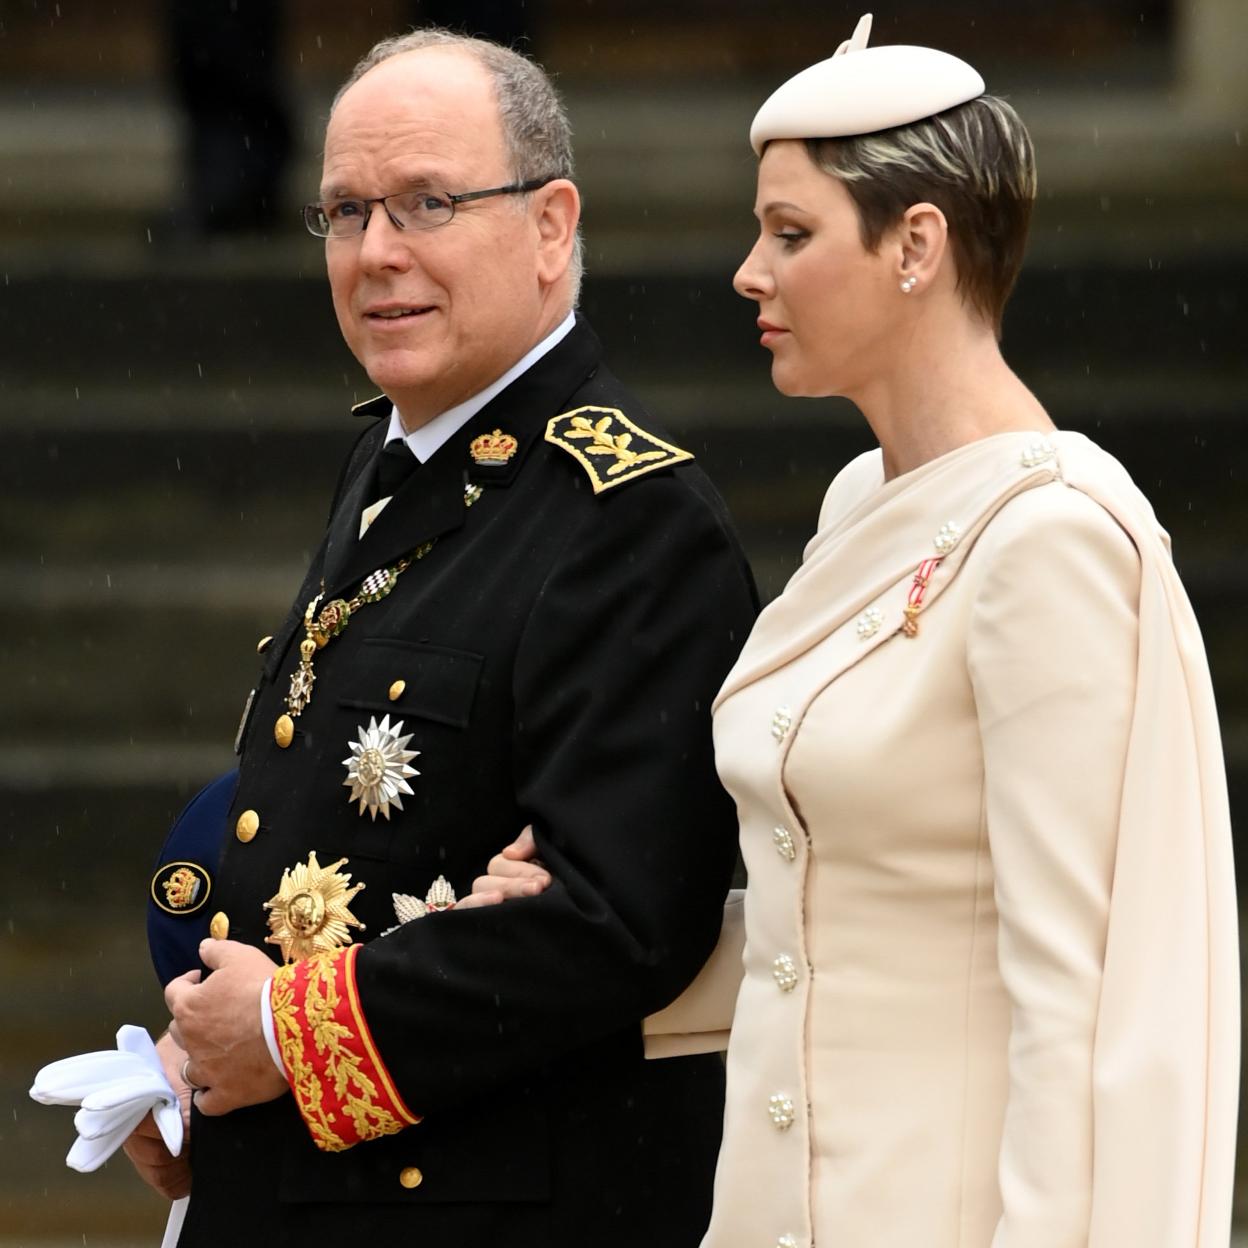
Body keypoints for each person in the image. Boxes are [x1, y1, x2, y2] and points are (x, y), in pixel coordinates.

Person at [468, 15, 1240, 1247]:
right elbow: (851, 911)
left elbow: (1087, 1012)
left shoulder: (1053, 539)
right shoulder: (858, 503)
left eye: (791, 234)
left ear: (915, 246)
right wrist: (579, 926)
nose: (748, 273)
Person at [123, 29, 757, 1247]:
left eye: (428, 204)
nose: (376, 255)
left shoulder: (631, 518)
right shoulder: (401, 455)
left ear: (552, 226)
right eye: (346, 211)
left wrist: (286, 1039)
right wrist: (201, 1058)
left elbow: (619, 921)